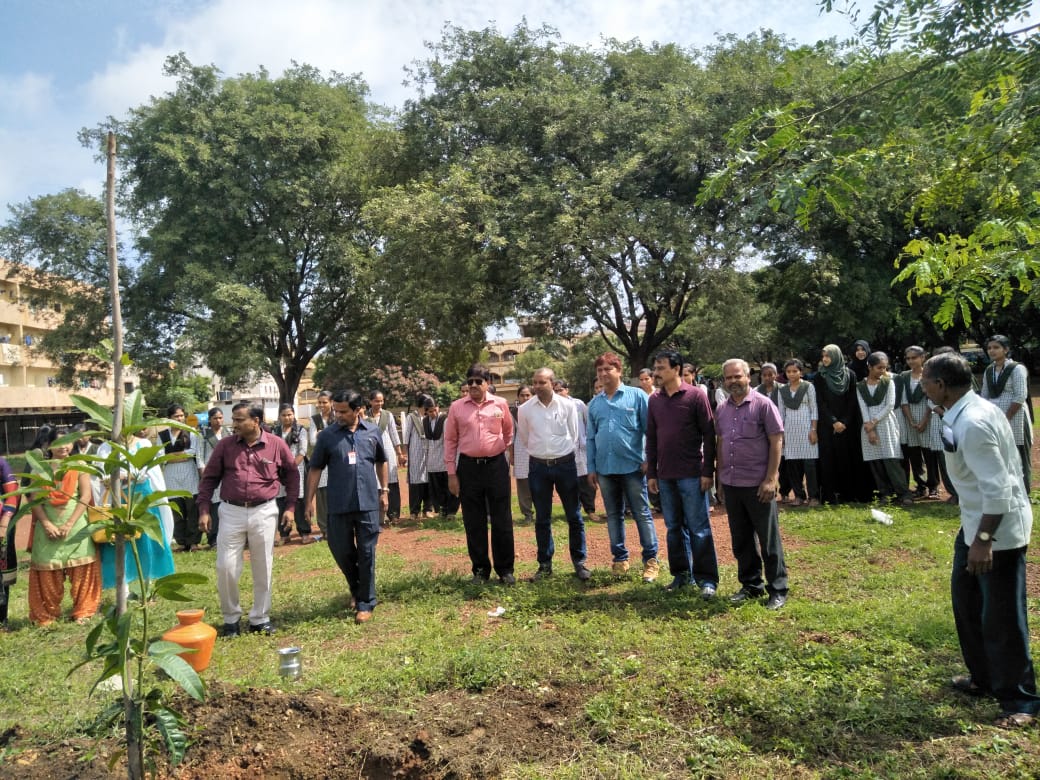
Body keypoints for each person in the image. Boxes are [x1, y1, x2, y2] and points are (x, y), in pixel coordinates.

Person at [921, 352, 1039, 728]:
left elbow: (1000, 490)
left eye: (925, 380)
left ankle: (1021, 701)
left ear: (941, 386)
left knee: (1003, 616)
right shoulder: (962, 411)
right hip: (973, 523)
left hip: (996, 532)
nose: (921, 385)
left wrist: (984, 541)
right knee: (967, 601)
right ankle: (984, 678)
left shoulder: (972, 422)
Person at [197, 403, 300, 637]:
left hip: (264, 511)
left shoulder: (276, 444)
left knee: (263, 564)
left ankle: (260, 618)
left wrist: (290, 507)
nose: (234, 424)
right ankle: (231, 619)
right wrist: (204, 509)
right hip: (231, 511)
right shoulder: (225, 446)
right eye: (233, 419)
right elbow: (209, 479)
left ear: (256, 421)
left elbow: (292, 475)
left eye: (240, 419)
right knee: (226, 567)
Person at [306, 390, 388, 624]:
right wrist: (308, 501)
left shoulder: (372, 431)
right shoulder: (328, 436)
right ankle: (356, 587)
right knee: (341, 549)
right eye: (336, 410)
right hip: (339, 503)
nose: (337, 415)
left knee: (367, 552)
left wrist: (385, 491)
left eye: (343, 411)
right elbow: (315, 469)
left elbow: (381, 460)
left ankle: (366, 602)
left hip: (368, 503)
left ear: (358, 410)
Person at [715, 358, 789, 610]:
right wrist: (721, 480)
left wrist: (771, 479)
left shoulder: (763, 405)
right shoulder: (722, 410)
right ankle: (751, 585)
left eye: (737, 376)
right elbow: (721, 444)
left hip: (758, 484)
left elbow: (776, 441)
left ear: (748, 377)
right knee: (741, 539)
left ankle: (777, 588)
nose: (733, 381)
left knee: (768, 540)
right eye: (728, 378)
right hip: (732, 483)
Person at [646, 350, 718, 596]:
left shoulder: (696, 396)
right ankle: (681, 575)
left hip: (692, 473)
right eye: (655, 368)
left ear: (676, 369)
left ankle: (707, 580)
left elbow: (709, 435)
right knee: (674, 527)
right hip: (666, 475)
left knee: (699, 528)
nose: (656, 372)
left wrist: (708, 470)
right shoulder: (654, 400)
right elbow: (652, 438)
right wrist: (652, 473)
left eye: (661, 367)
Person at [586, 352, 660, 583]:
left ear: (619, 371)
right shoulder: (595, 404)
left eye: (608, 369)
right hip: (605, 469)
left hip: (633, 467)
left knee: (642, 513)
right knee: (614, 515)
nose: (603, 373)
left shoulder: (637, 396)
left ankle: (650, 560)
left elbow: (651, 430)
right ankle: (620, 559)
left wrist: (650, 458)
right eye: (600, 370)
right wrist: (591, 467)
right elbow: (590, 438)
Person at [444, 364, 515, 585]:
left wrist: (499, 450)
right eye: (470, 381)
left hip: (496, 466)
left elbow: (509, 431)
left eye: (478, 381)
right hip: (468, 468)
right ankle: (481, 571)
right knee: (473, 521)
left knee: (502, 518)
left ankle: (505, 570)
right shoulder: (456, 408)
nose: (473, 385)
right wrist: (451, 474)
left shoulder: (500, 404)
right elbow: (450, 441)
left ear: (487, 383)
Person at [519, 368, 590, 581]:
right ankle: (545, 564)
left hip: (565, 464)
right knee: (542, 517)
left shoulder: (568, 405)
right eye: (535, 383)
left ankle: (579, 562)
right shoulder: (524, 409)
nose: (537, 387)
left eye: (542, 382)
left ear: (552, 383)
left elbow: (575, 434)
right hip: (538, 467)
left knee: (574, 516)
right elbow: (525, 437)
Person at [27, 428, 101, 625]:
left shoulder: (79, 465)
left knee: (82, 568)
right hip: (48, 527)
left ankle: (83, 611)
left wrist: (70, 523)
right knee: (46, 570)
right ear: (49, 445)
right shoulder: (39, 469)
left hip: (76, 526)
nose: (66, 446)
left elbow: (85, 496)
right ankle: (46, 615)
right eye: (60, 442)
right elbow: (35, 501)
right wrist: (46, 524)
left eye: (69, 441)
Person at [97, 430, 177, 599]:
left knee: (147, 542)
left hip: (143, 498)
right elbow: (102, 474)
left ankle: (147, 588)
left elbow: (149, 472)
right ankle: (124, 591)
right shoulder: (106, 447)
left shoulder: (144, 444)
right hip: (119, 501)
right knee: (122, 542)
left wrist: (129, 476)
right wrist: (113, 478)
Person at [813, 344, 875, 504]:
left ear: (836, 356)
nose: (825, 359)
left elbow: (853, 400)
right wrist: (833, 421)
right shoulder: (820, 377)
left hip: (848, 425)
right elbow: (820, 402)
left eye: (828, 356)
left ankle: (849, 494)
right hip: (827, 426)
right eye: (823, 356)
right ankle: (830, 495)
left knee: (848, 458)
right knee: (829, 460)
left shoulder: (850, 375)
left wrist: (844, 422)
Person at [857, 352, 914, 506]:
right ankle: (885, 494)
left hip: (886, 423)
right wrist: (870, 429)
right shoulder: (860, 386)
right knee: (875, 462)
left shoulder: (888, 383)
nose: (882, 370)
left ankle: (903, 493)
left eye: (884, 367)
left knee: (891, 459)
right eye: (878, 367)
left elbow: (889, 405)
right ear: (869, 367)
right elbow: (863, 407)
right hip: (868, 426)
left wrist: (873, 422)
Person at [980, 335, 1031, 494]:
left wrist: (1006, 417)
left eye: (996, 347)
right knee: (999, 453)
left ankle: (1024, 491)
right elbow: (984, 396)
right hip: (994, 418)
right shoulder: (989, 370)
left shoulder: (1016, 368)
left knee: (1019, 453)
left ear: (1006, 349)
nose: (992, 351)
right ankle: (1005, 489)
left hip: (1014, 417)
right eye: (989, 348)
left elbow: (1020, 396)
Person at [897, 346, 940, 499]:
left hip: (928, 417)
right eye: (908, 358)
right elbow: (903, 401)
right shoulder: (904, 376)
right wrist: (911, 420)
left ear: (923, 358)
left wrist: (924, 420)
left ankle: (933, 486)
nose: (911, 361)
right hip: (910, 420)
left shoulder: (929, 375)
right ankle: (920, 485)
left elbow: (932, 399)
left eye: (914, 358)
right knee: (914, 455)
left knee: (929, 454)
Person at [158, 404, 201, 552]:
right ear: (169, 418)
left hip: (189, 473)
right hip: (171, 475)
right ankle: (182, 542)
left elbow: (192, 452)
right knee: (177, 510)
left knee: (192, 509)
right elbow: (159, 456)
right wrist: (179, 455)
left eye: (181, 415)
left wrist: (171, 456)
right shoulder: (162, 435)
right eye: (176, 416)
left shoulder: (191, 432)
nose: (179, 418)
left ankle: (194, 541)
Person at [778, 359, 819, 507]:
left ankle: (813, 496)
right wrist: (782, 434)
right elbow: (781, 413)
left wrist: (813, 430)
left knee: (810, 465)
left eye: (795, 371)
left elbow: (814, 408)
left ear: (800, 372)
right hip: (790, 430)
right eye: (788, 372)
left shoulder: (808, 387)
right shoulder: (782, 390)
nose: (791, 374)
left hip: (807, 428)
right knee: (793, 465)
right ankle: (799, 496)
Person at [274, 403, 315, 545]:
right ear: (280, 416)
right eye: (284, 415)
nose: (287, 417)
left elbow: (302, 451)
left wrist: (291, 467)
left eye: (289, 414)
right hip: (279, 472)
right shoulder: (275, 431)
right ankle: (284, 534)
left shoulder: (301, 430)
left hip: (297, 470)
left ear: (294, 415)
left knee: (299, 501)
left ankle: (304, 532)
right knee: (281, 501)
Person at [366, 390, 405, 525]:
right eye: (377, 401)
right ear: (370, 401)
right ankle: (378, 516)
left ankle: (394, 515)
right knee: (375, 483)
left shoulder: (387, 415)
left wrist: (399, 453)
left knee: (392, 482)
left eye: (381, 401)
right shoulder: (364, 416)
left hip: (387, 450)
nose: (379, 403)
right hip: (371, 451)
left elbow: (394, 435)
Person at [755, 363, 791, 503]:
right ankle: (771, 491)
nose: (768, 377)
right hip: (764, 433)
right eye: (765, 375)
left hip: (781, 430)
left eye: (771, 374)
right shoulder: (756, 391)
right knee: (767, 462)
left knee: (783, 464)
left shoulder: (783, 389)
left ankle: (785, 492)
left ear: (776, 375)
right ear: (761, 376)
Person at [195, 407, 230, 548]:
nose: (218, 420)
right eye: (215, 418)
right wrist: (204, 474)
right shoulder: (203, 435)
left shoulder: (228, 433)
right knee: (213, 507)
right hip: (211, 474)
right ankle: (213, 538)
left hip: (226, 474)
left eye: (220, 417)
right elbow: (199, 456)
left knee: (226, 505)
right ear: (209, 419)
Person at [423, 398, 456, 517]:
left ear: (438, 407)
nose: (434, 413)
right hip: (432, 461)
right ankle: (442, 510)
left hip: (443, 459)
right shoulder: (425, 421)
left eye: (435, 410)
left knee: (447, 487)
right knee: (436, 489)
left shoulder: (445, 420)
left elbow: (448, 440)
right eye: (430, 411)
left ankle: (450, 511)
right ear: (426, 411)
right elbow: (426, 442)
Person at [403, 394, 432, 520]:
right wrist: (405, 453)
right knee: (415, 481)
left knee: (429, 479)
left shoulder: (430, 416)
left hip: (430, 451)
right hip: (415, 451)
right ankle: (414, 511)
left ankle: (428, 509)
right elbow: (406, 436)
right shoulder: (412, 417)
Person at [309, 390, 334, 538]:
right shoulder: (314, 419)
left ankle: (337, 526)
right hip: (321, 461)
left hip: (335, 461)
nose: (322, 405)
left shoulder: (337, 416)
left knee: (336, 494)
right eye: (320, 402)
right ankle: (324, 529)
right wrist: (328, 434)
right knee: (322, 496)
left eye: (325, 402)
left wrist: (321, 434)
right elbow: (312, 441)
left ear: (331, 402)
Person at [0, 456, 21, 630]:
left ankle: (1, 621)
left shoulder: (1, 463)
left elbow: (13, 493)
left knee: (2, 575)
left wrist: (5, 522)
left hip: (1, 527)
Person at [510, 385, 534, 524]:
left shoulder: (539, 410)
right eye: (522, 395)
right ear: (518, 397)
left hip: (538, 450)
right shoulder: (514, 413)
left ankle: (542, 513)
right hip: (520, 450)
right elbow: (511, 435)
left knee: (539, 482)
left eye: (528, 395)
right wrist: (512, 454)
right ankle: (527, 514)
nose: (525, 398)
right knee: (523, 483)